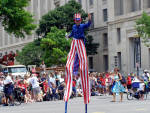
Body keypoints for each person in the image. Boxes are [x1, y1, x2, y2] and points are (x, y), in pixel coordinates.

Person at [64, 13, 91, 109]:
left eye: (79, 20)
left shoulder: (82, 25)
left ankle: (82, 69)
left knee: (83, 61)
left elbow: (88, 25)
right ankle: (70, 68)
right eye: (76, 20)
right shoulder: (74, 26)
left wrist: (89, 19)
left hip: (80, 42)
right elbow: (72, 33)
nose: (78, 21)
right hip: (74, 41)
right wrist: (68, 36)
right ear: (75, 20)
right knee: (70, 60)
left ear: (80, 20)